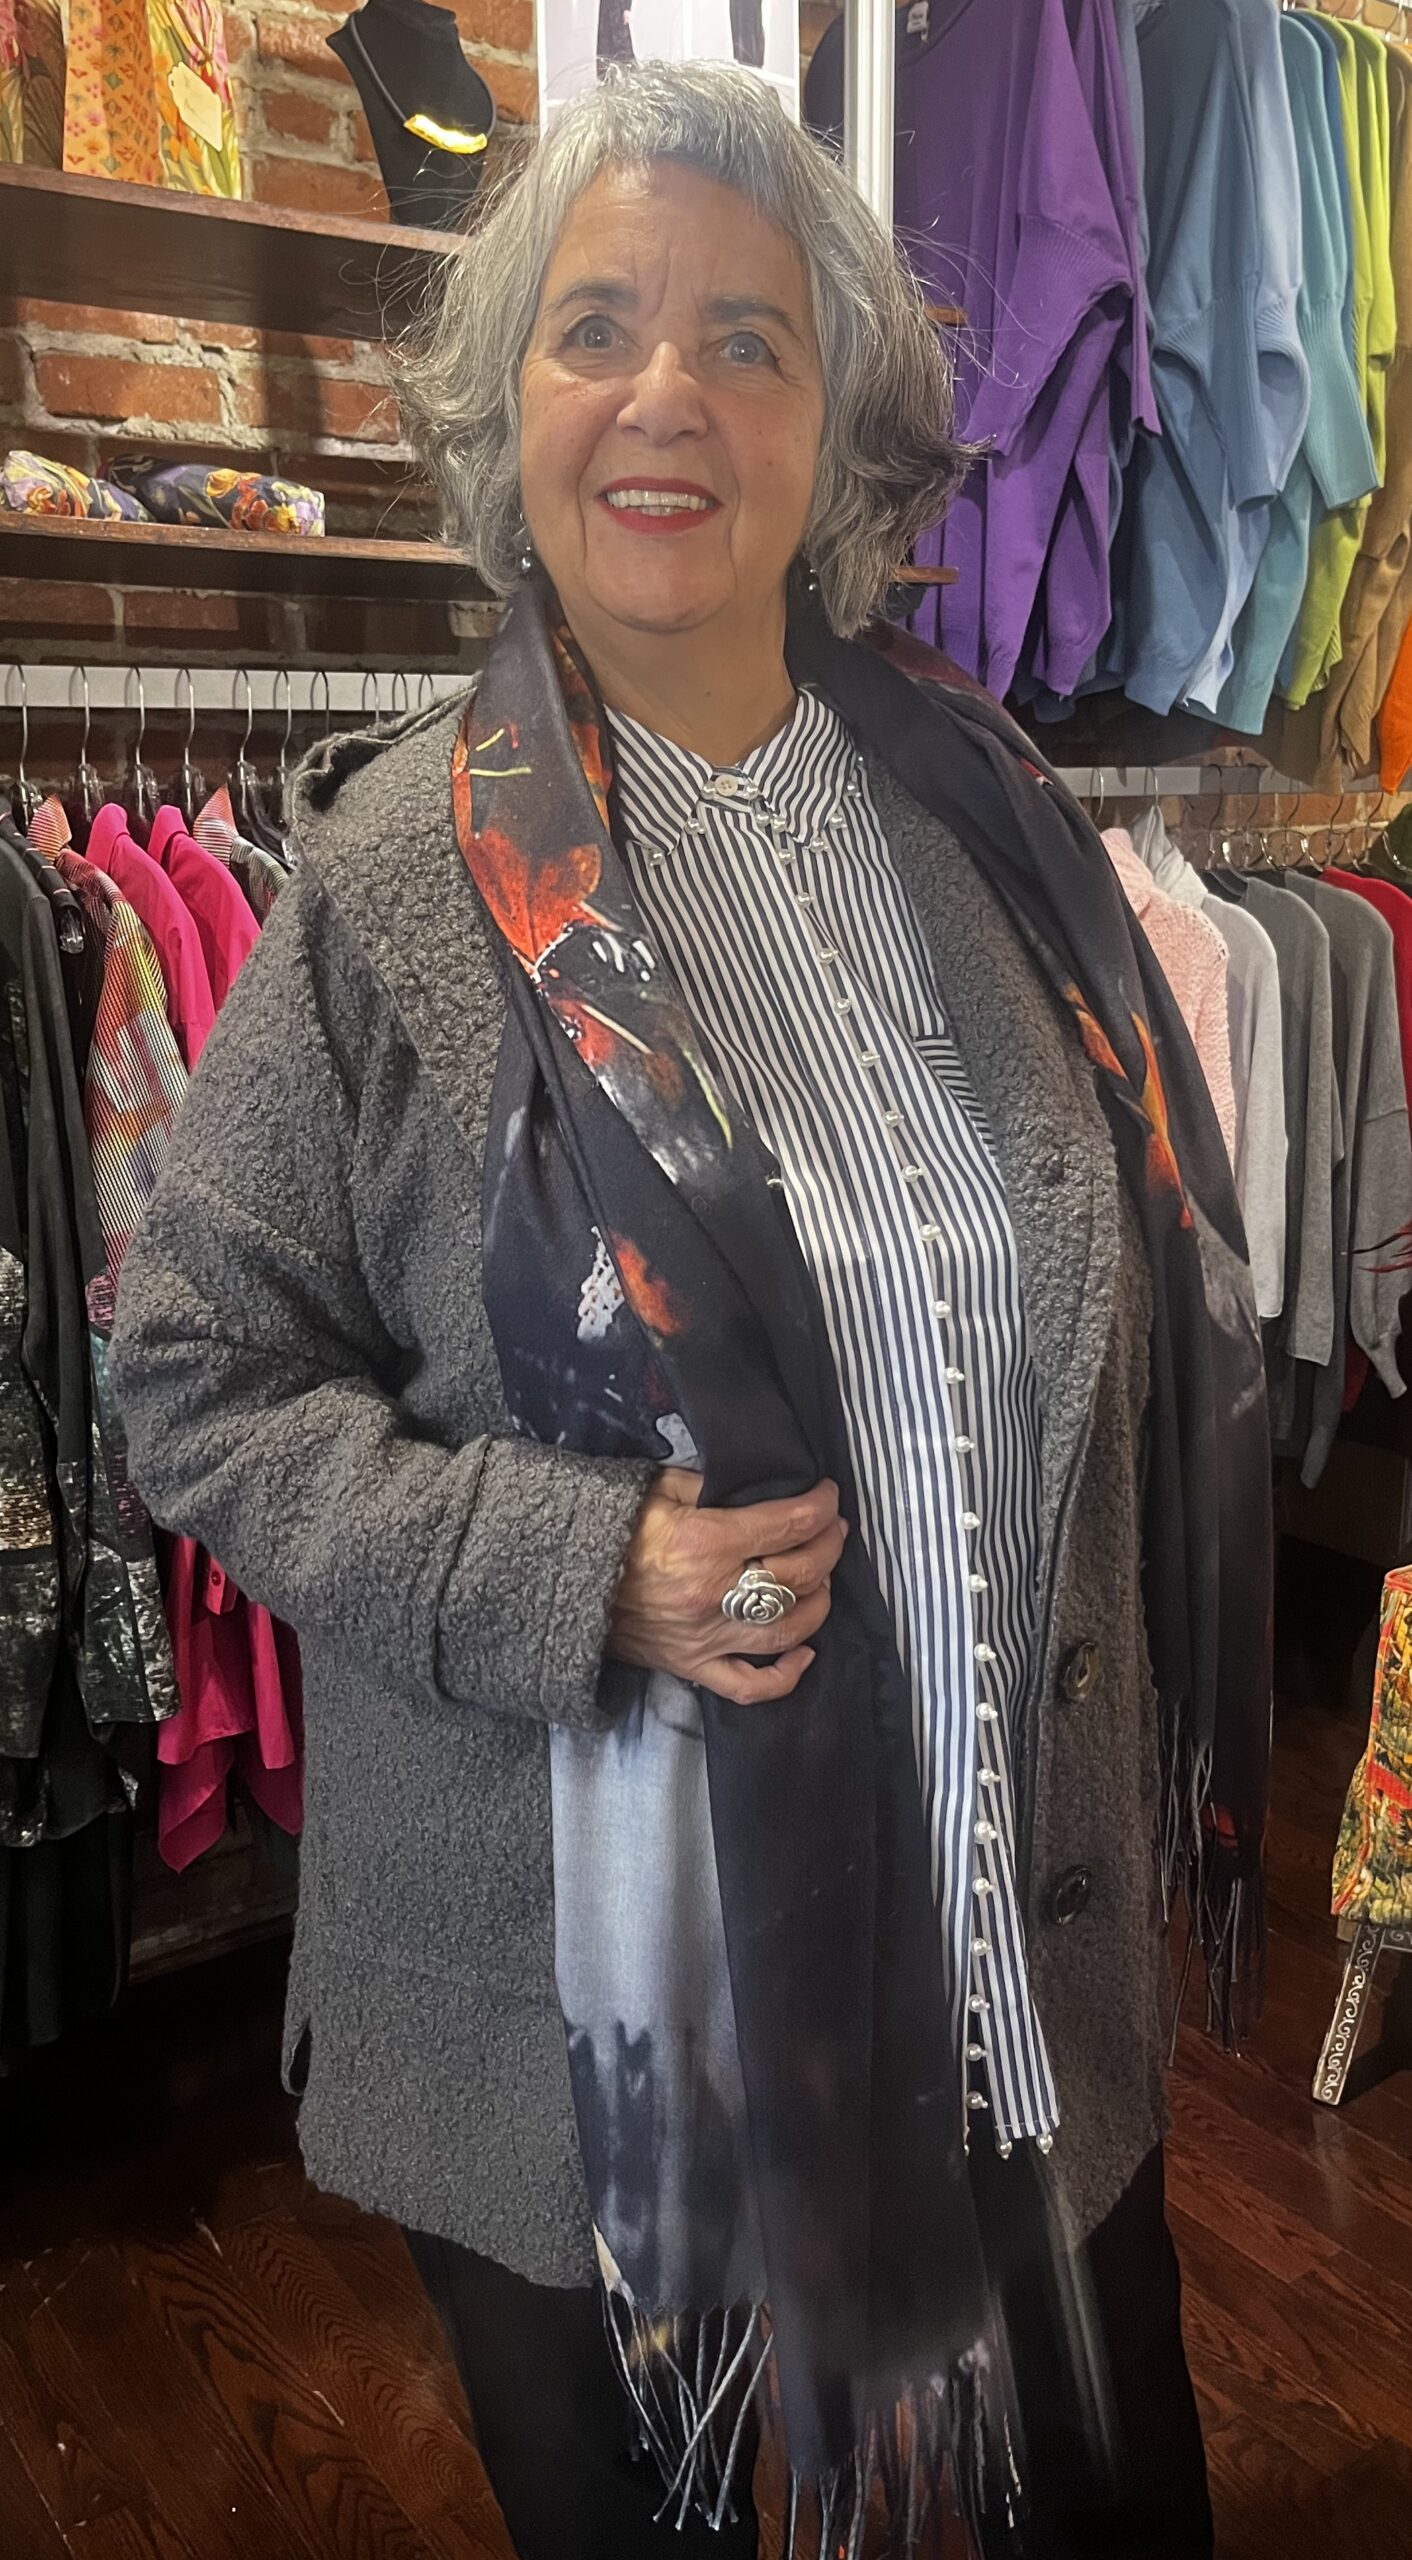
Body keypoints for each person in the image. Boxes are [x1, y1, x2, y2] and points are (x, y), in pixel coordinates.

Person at [111, 61, 1271, 2560]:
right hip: (595, 2020)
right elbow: (192, 1374)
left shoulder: (994, 836)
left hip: (1003, 1956)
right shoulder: (387, 890)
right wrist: (583, 1564)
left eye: (748, 339)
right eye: (596, 327)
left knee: (1114, 2502)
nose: (667, 393)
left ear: (829, 426)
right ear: (505, 405)